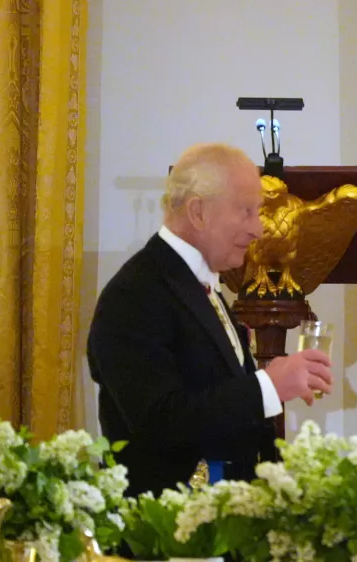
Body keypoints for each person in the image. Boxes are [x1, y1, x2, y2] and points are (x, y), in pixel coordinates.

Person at [87, 143, 333, 497]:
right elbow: (159, 422)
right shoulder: (136, 293)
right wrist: (268, 386)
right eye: (246, 211)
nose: (258, 230)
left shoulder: (199, 283)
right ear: (198, 212)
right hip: (168, 532)